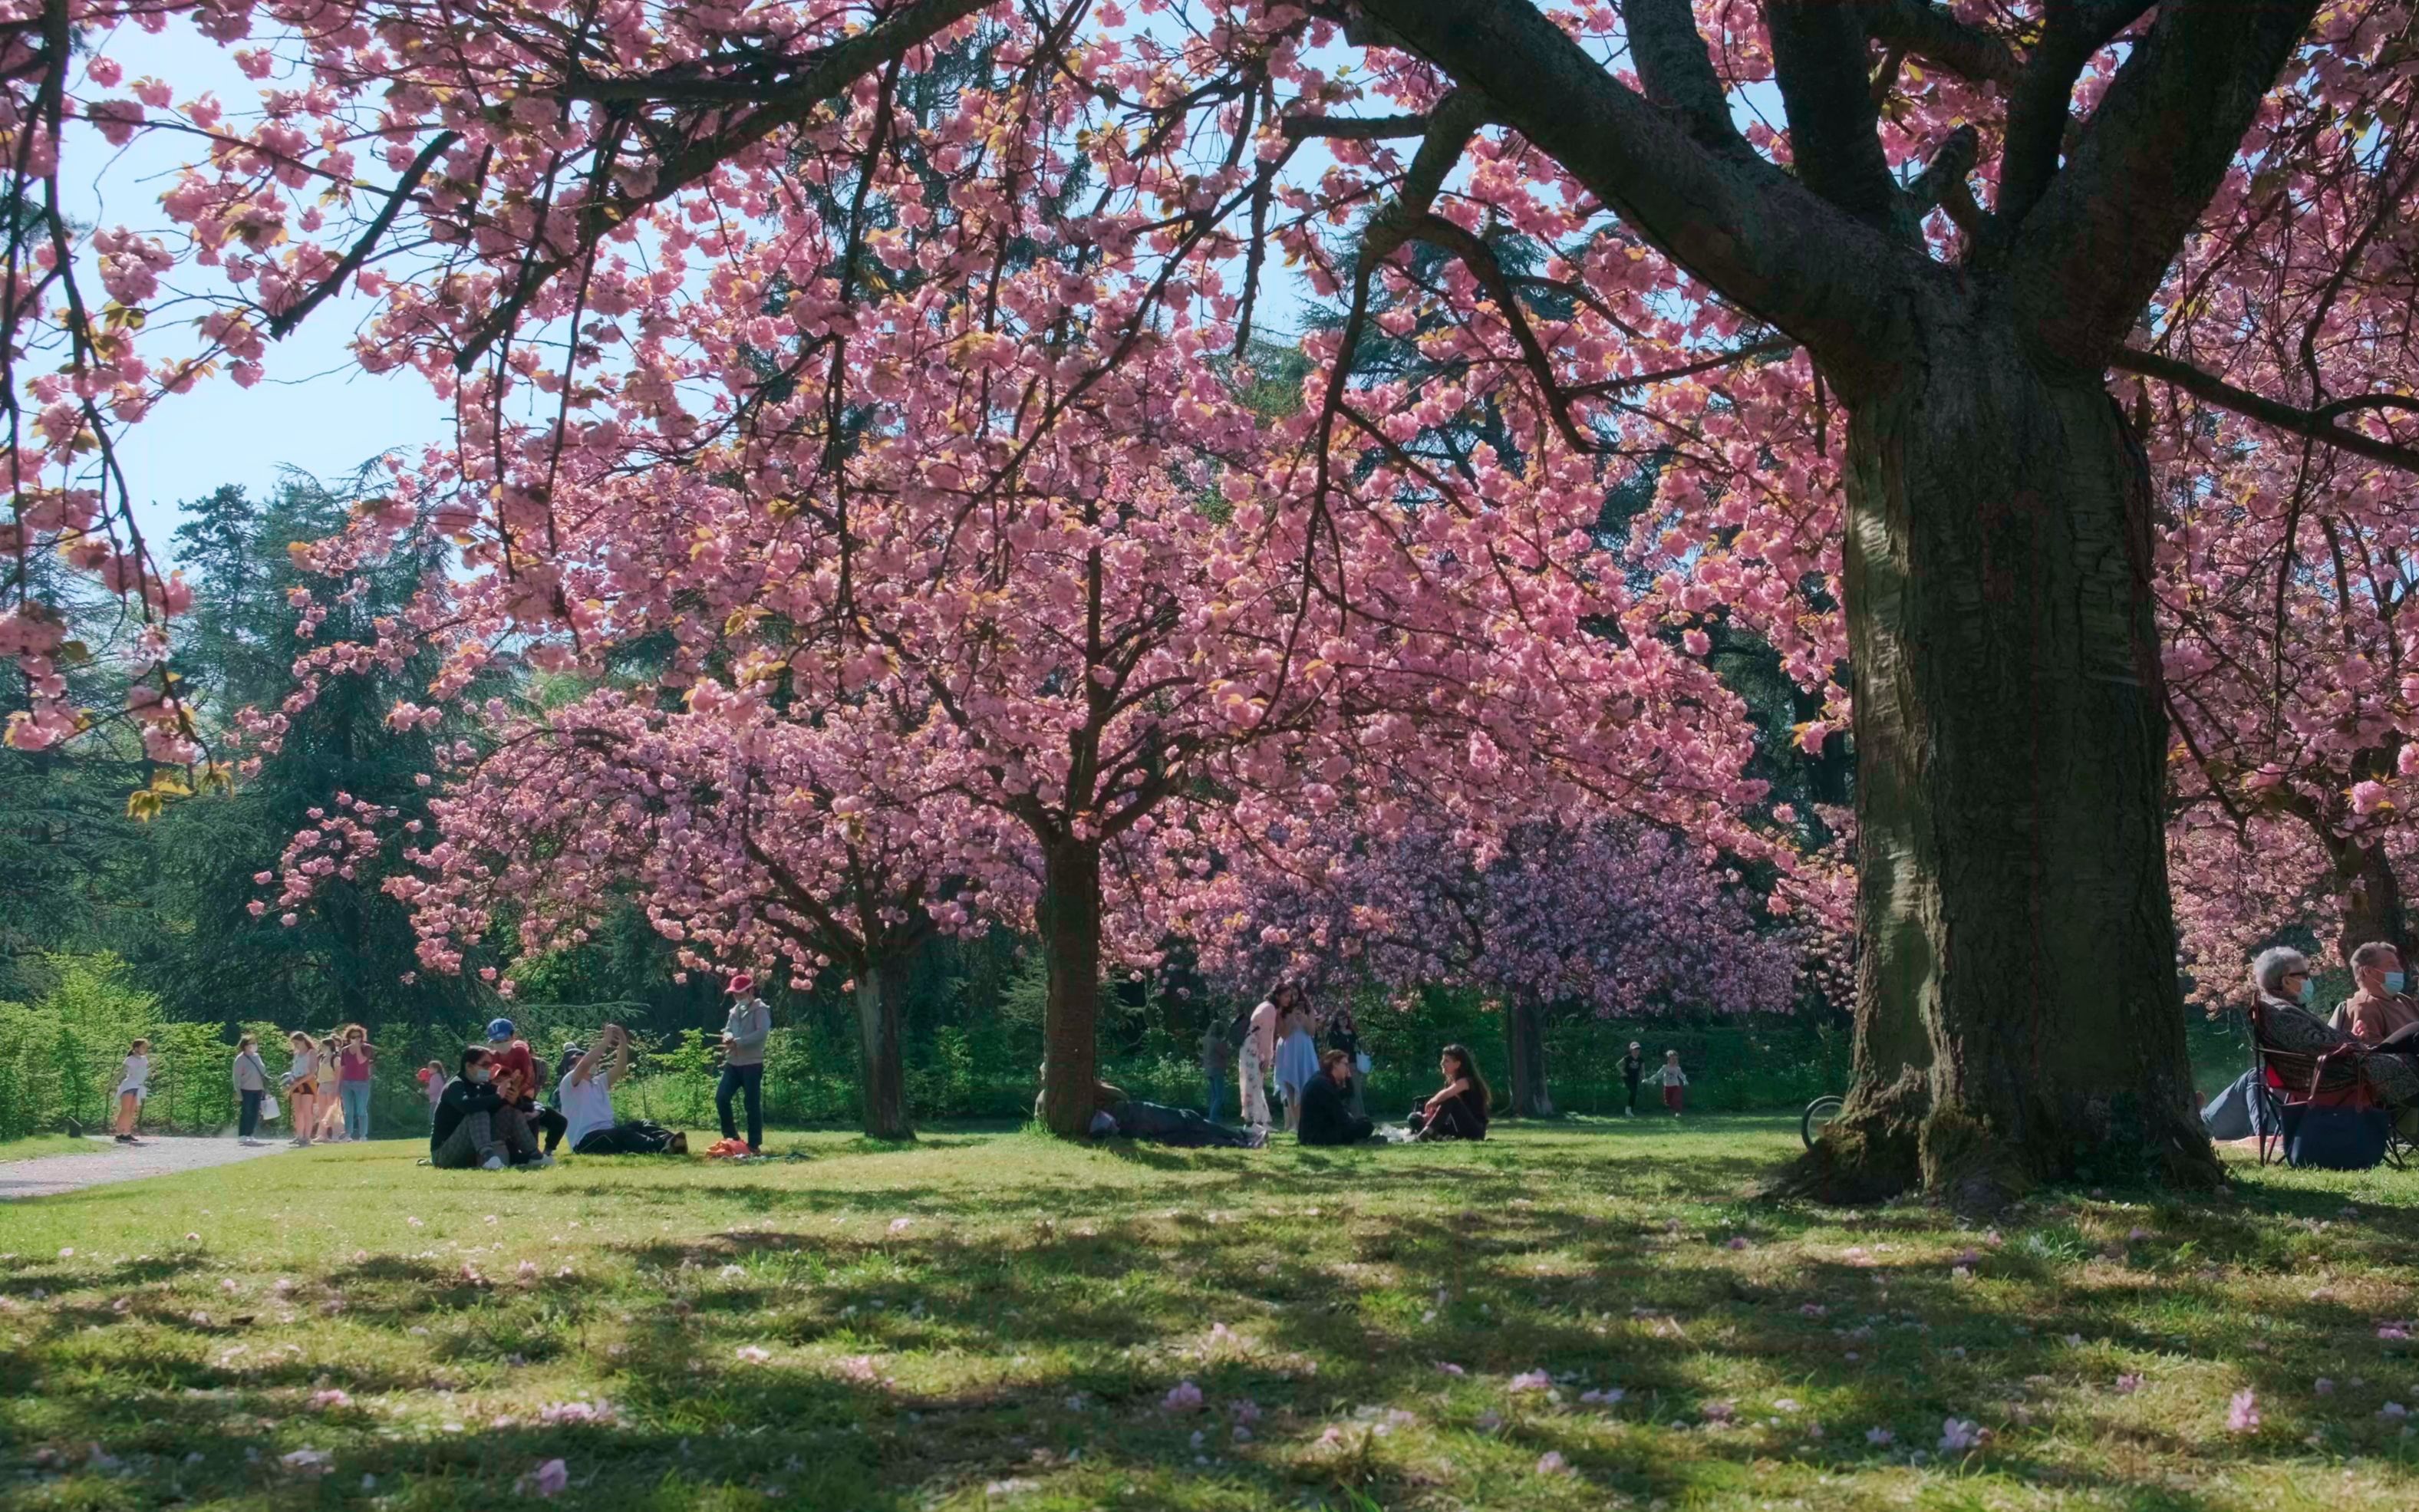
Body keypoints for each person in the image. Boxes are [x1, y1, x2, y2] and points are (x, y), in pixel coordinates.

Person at [2250, 946, 2419, 1109]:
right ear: (2286, 981)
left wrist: (2352, 1036)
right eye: (2304, 974)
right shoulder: (2281, 1012)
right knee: (2414, 1034)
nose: (2309, 979)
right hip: (2340, 1073)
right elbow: (2314, 1044)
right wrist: (2351, 1038)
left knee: (2414, 1032)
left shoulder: (2283, 1008)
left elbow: (2315, 1041)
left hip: (2347, 1064)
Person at [559, 1024, 687, 1155]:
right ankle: (660, 1148)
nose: (591, 1060)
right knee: (622, 1133)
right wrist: (606, 1041)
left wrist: (623, 1040)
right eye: (579, 1058)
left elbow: (620, 1067)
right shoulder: (569, 1083)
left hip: (608, 1134)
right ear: (570, 1067)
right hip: (585, 1142)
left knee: (643, 1123)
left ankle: (671, 1141)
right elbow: (585, 1063)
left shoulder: (599, 1082)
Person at [430, 1046, 547, 1170]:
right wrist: (498, 1097)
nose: (488, 1069)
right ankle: (489, 1159)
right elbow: (466, 1106)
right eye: (484, 1065)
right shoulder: (455, 1086)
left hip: (471, 1148)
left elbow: (506, 1101)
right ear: (469, 1066)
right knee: (478, 1111)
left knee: (510, 1112)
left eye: (490, 1065)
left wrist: (515, 1101)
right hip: (443, 1154)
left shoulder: (481, 1086)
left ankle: (535, 1156)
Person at [485, 1018, 568, 1154]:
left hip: (521, 1099)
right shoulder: (489, 1056)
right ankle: (529, 1153)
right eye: (496, 1042)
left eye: (504, 1040)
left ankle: (547, 1152)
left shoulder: (520, 1052)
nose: (501, 1045)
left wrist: (517, 1095)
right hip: (500, 1101)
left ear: (513, 1036)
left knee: (558, 1121)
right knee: (530, 1114)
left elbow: (527, 1079)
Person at [717, 974, 772, 1153]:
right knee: (721, 1098)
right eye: (735, 995)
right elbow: (728, 1030)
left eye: (741, 994)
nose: (738, 998)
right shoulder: (734, 1011)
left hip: (752, 1064)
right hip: (733, 1062)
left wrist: (738, 1041)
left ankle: (754, 1145)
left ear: (751, 991)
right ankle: (731, 1137)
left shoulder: (761, 1010)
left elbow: (761, 1033)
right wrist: (727, 1036)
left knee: (751, 1104)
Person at [2330, 941, 2419, 1045]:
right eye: (2392, 965)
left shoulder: (2403, 999)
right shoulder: (2363, 1007)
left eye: (2398, 965)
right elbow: (2376, 1055)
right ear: (2368, 971)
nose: (2400, 970)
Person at [1407, 1044, 1490, 1140]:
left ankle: (1427, 1133)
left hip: (1474, 1130)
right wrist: (1429, 1116)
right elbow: (1444, 1107)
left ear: (1458, 1064)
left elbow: (1446, 1095)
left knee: (1451, 1099)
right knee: (1413, 1117)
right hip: (1456, 1128)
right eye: (1443, 1060)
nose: (1442, 1063)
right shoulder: (1449, 1082)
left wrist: (1432, 1101)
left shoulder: (1467, 1081)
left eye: (1446, 1061)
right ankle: (1438, 1137)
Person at [1298, 1049, 1376, 1146]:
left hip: (1313, 1134)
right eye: (1345, 1065)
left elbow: (1348, 1094)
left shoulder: (1322, 1080)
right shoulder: (1323, 1085)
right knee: (1366, 1125)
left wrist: (1348, 1078)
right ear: (1335, 1063)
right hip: (1317, 1137)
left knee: (1363, 1121)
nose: (1348, 1069)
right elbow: (1343, 1119)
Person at [1240, 987, 1283, 1132]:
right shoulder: (1270, 1009)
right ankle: (1253, 1121)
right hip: (1253, 1047)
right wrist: (1267, 1057)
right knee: (1253, 1082)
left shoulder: (1265, 1006)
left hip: (1250, 1045)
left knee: (1254, 1082)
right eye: (1286, 996)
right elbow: (1267, 1035)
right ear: (1277, 996)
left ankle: (1259, 1120)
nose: (1288, 999)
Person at [1274, 994, 1319, 1134]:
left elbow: (1312, 1031)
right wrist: (1292, 1018)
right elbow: (1284, 1034)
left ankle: (1309, 1122)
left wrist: (1304, 1019)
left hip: (1304, 1047)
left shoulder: (1308, 1009)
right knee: (1291, 1086)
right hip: (1288, 1049)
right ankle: (1298, 1125)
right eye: (1288, 993)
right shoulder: (1280, 1011)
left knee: (1308, 1083)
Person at [281, 1030, 322, 1148]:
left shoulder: (311, 1053)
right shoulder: (296, 1054)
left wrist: (299, 1082)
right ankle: (299, 1136)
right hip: (295, 1083)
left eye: (297, 1043)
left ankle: (307, 1137)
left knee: (307, 1111)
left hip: (307, 1083)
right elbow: (294, 1070)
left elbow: (312, 1072)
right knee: (297, 1111)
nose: (296, 1046)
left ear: (303, 1041)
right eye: (294, 1044)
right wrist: (291, 1083)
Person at [335, 1023, 375, 1141]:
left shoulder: (367, 1048)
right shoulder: (344, 1051)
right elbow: (342, 1068)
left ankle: (363, 1135)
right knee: (348, 1110)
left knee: (361, 1110)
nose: (356, 1039)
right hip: (346, 1083)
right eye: (353, 1037)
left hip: (362, 1083)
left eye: (358, 1037)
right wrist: (338, 1085)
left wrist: (358, 1047)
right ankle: (348, 1134)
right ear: (348, 1038)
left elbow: (361, 1060)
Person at [1326, 1004, 1367, 1118]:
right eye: (1341, 1019)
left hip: (1353, 1064)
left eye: (1345, 1019)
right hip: (1339, 1066)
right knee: (1342, 1092)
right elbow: (1333, 1049)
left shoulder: (1352, 1033)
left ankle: (1359, 1115)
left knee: (1356, 1091)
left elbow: (1358, 1048)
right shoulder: (1334, 1034)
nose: (1343, 1021)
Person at [112, 1038, 150, 1145]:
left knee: (132, 1110)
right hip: (129, 1085)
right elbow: (121, 1073)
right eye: (143, 1047)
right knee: (125, 1110)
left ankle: (127, 1133)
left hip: (138, 1086)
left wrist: (154, 1067)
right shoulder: (130, 1059)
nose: (145, 1049)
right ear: (136, 1048)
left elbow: (144, 1073)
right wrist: (110, 1085)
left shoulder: (144, 1059)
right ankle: (119, 1133)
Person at [232, 1035, 270, 1145]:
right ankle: (242, 1134)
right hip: (246, 1089)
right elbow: (236, 1077)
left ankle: (250, 1134)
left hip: (258, 1088)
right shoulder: (240, 1059)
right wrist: (238, 1091)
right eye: (251, 1044)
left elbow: (262, 1070)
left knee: (255, 1112)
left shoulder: (257, 1056)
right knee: (246, 1112)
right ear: (245, 1046)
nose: (254, 1046)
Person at [312, 1037, 349, 1141]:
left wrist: (336, 1089)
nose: (322, 1047)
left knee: (332, 1112)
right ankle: (322, 1135)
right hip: (322, 1084)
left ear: (329, 1046)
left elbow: (338, 1076)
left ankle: (336, 1134)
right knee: (322, 1111)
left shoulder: (336, 1059)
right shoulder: (321, 1058)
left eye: (323, 1045)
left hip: (331, 1085)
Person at [1199, 1018, 1232, 1123]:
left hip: (1208, 1069)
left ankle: (1212, 1117)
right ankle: (1213, 1118)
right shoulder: (1216, 1042)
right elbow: (1225, 1054)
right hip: (1217, 1069)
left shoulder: (1206, 1040)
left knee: (1213, 1095)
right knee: (1220, 1096)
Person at [1657, 1049, 1690, 1116]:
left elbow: (1682, 1075)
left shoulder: (1677, 1068)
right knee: (1668, 1102)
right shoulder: (1665, 1067)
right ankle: (1672, 1108)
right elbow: (1658, 1074)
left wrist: (1685, 1081)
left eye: (1676, 1059)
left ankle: (1678, 1112)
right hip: (1667, 1087)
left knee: (1677, 1099)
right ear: (1668, 1059)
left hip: (1676, 1086)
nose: (1675, 1060)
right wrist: (1650, 1080)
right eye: (1673, 1059)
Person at [1620, 1041, 1645, 1117]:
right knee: (1633, 1092)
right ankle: (1628, 1110)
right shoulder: (1627, 1058)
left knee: (1634, 1093)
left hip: (1635, 1078)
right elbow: (1618, 1065)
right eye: (1635, 1049)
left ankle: (1629, 1110)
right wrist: (1622, 1072)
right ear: (1631, 1050)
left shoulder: (1641, 1060)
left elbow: (1643, 1070)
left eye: (1638, 1049)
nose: (1637, 1051)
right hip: (1627, 1078)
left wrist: (1643, 1076)